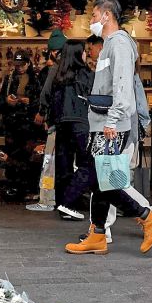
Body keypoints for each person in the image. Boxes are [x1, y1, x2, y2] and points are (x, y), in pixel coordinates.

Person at [65, 0, 152, 255]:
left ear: (107, 15)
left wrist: (112, 120)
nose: (91, 21)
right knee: (101, 178)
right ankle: (98, 233)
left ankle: (147, 217)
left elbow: (122, 84)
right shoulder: (111, 44)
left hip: (110, 125)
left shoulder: (119, 43)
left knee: (102, 179)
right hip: (104, 123)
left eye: (93, 15)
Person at [44, 40, 92, 220]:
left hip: (62, 124)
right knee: (86, 164)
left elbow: (49, 98)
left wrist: (51, 120)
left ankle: (63, 203)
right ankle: (71, 201)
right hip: (81, 123)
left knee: (63, 165)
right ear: (78, 54)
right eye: (84, 51)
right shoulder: (86, 75)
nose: (87, 54)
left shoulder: (59, 75)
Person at [0, 50, 41, 200]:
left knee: (28, 157)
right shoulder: (9, 79)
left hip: (29, 126)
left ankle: (28, 188)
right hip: (12, 125)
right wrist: (7, 101)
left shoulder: (36, 80)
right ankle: (13, 187)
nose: (19, 68)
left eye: (22, 65)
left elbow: (42, 102)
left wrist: (30, 102)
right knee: (11, 156)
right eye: (17, 65)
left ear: (28, 63)